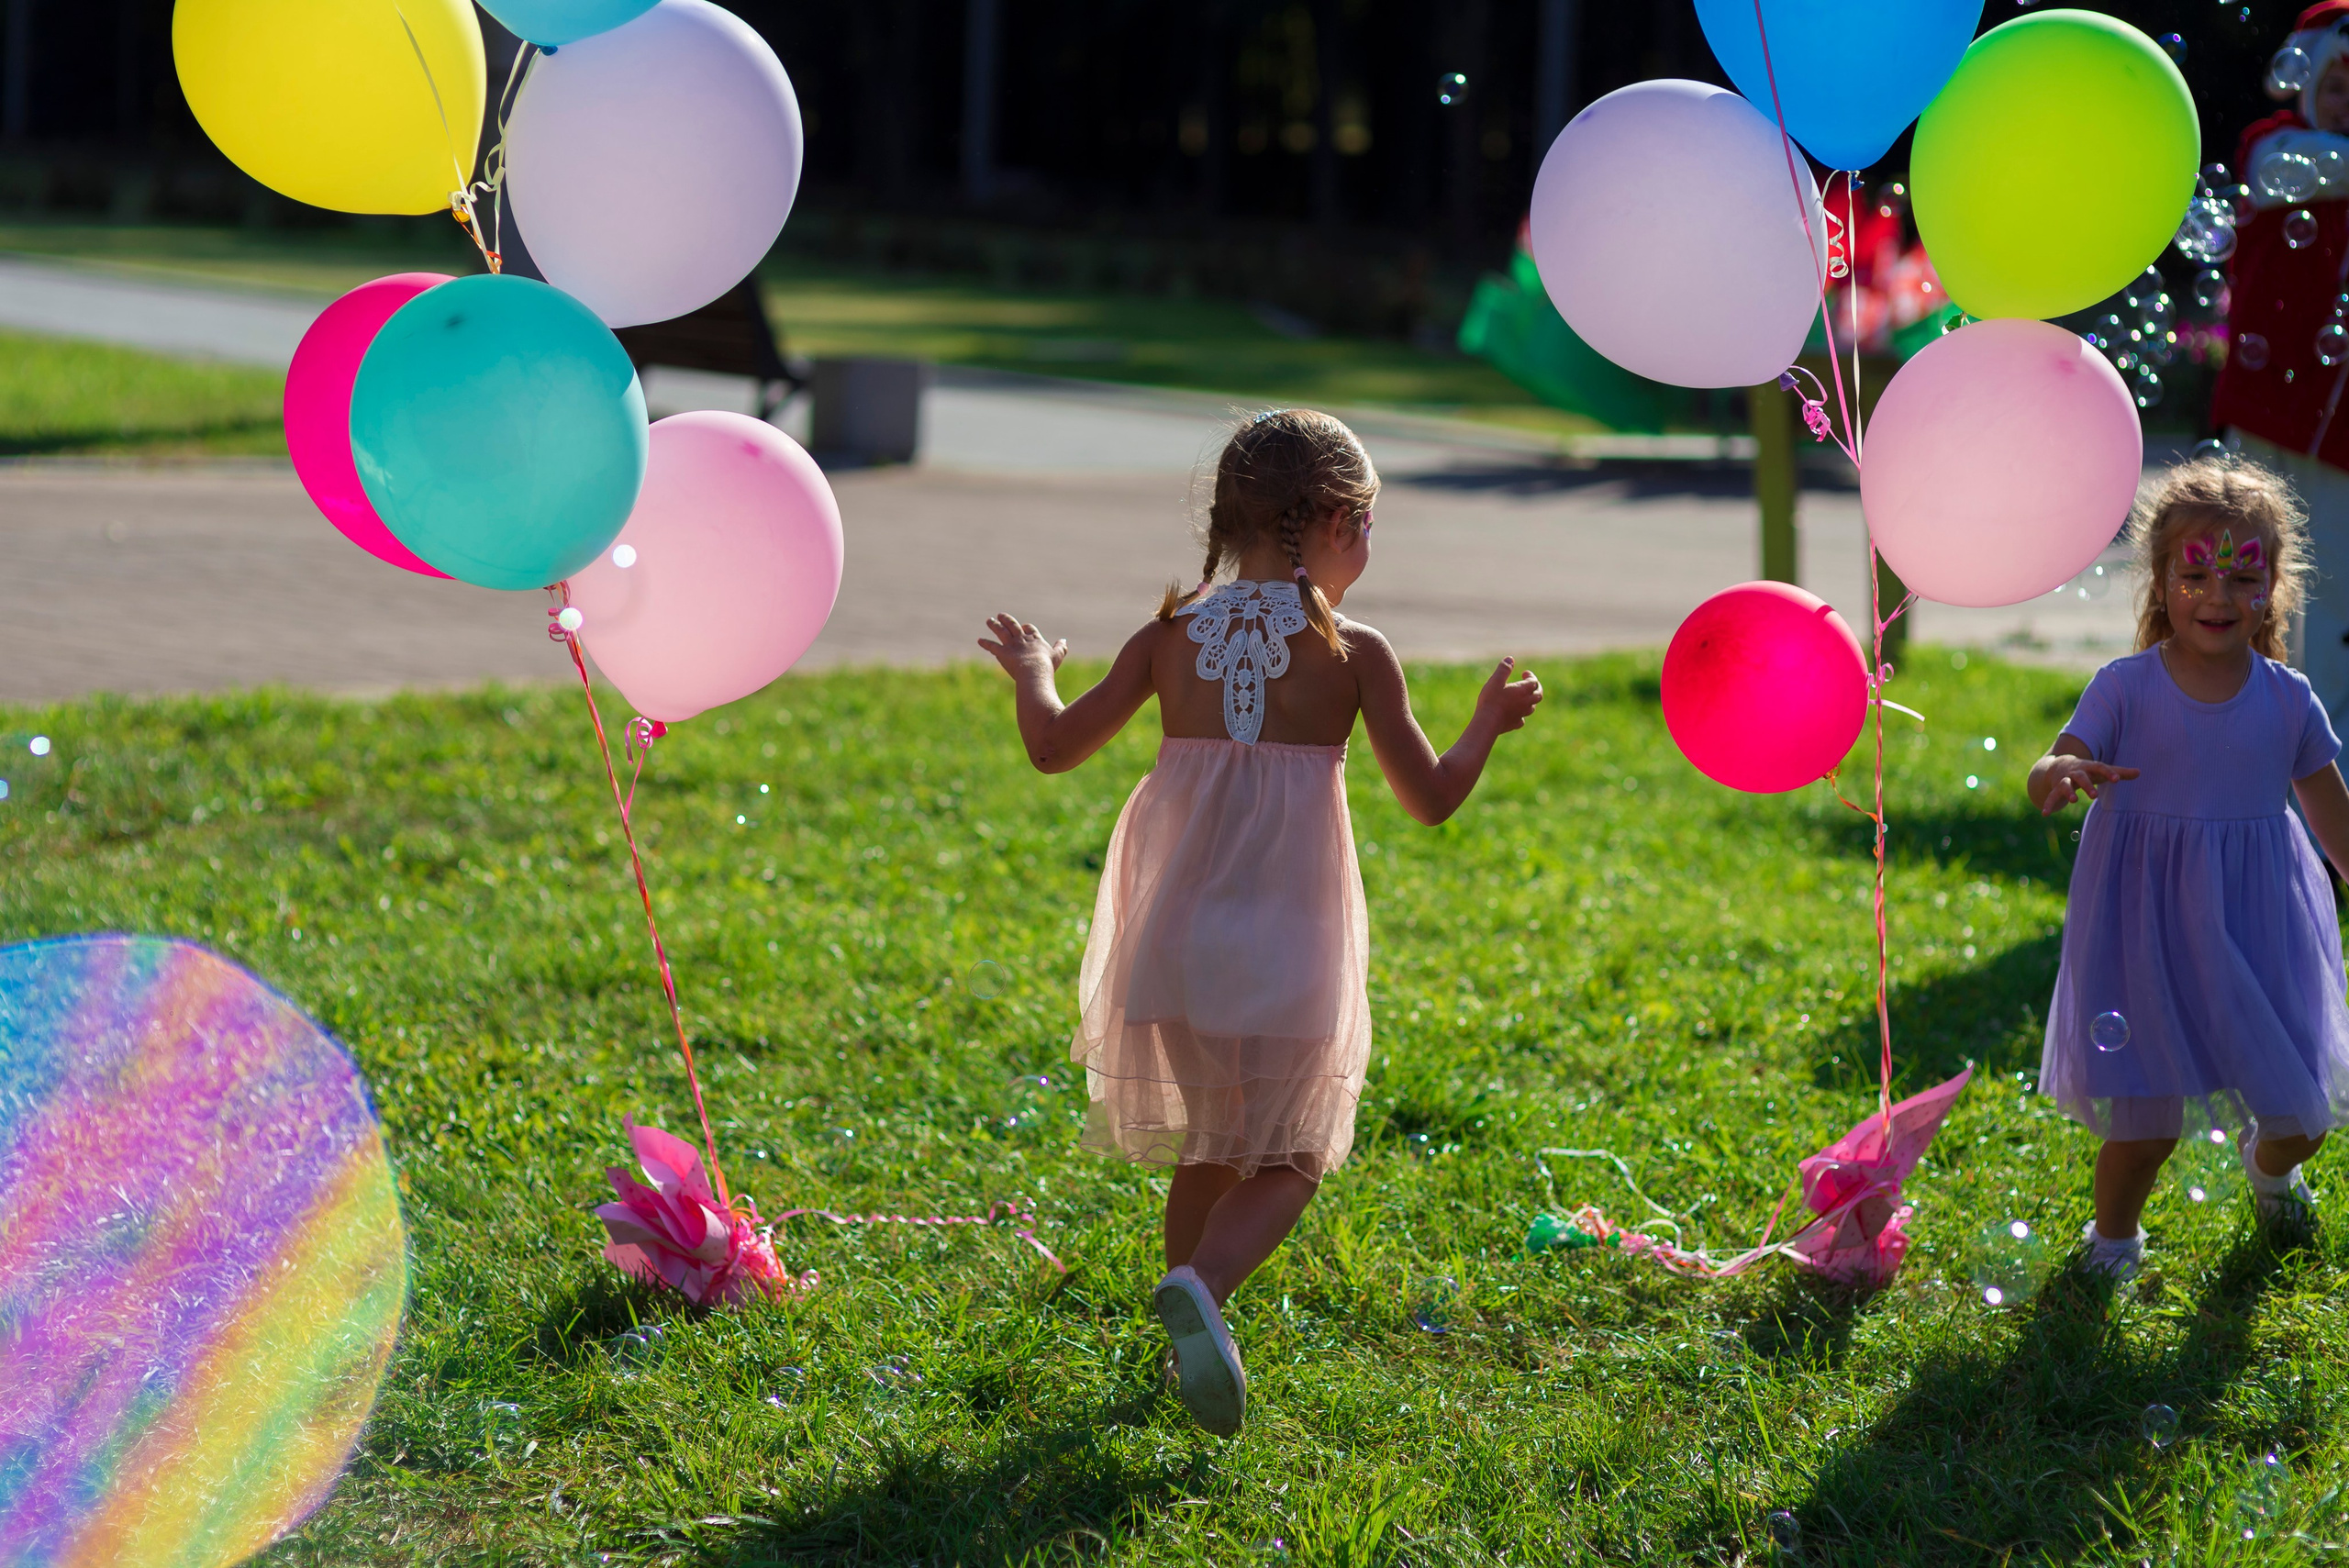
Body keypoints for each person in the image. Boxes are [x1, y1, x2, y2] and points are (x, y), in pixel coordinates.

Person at [975, 409, 1543, 1435]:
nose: (1368, 543)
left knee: (1210, 1143)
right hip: (1285, 946)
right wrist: (1486, 724)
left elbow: (1053, 747)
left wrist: (1033, 673)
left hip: (1174, 939)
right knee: (1293, 1155)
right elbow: (1429, 798)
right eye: (1366, 523)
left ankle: (1185, 1329)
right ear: (1330, 520)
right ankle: (1200, 1288)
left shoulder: (1166, 637)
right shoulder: (1354, 651)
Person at [2027, 457, 2349, 1281]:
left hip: (2258, 930)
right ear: (2162, 580)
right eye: (2196, 574)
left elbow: (2334, 819)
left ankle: (2270, 1170)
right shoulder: (2125, 687)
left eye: (2244, 575)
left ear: (2273, 586)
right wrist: (2061, 771)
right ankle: (2113, 1241)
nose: (2218, 594)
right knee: (2146, 1130)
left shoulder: (2289, 700)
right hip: (2147, 931)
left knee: (2302, 1117)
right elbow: (2054, 761)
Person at [2213, 1, 2349, 717]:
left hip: (2338, 430)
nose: (2346, 104)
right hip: (2268, 407)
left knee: (2330, 592)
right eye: (2336, 86)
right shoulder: (2272, 146)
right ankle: (2239, 720)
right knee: (2247, 573)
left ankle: (2323, 746)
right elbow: (2298, 171)